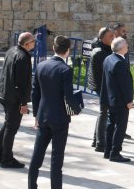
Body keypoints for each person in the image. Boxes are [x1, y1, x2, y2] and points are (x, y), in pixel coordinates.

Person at [29, 36, 81, 189]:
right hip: (59, 119)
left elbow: (35, 93)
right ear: (68, 51)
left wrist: (36, 115)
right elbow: (68, 96)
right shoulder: (65, 69)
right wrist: (77, 109)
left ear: (53, 48)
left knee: (37, 156)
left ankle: (32, 186)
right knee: (56, 160)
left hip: (43, 116)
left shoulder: (41, 66)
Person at [0, 32, 36, 168]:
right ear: (27, 44)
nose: (35, 43)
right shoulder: (23, 57)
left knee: (8, 124)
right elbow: (22, 83)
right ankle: (6, 159)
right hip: (13, 98)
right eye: (33, 41)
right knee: (11, 128)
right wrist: (23, 104)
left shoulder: (12, 50)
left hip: (4, 93)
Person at [102, 37, 134, 163]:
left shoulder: (109, 59)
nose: (127, 46)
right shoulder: (120, 63)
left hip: (111, 99)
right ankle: (115, 153)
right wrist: (129, 101)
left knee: (110, 126)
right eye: (126, 45)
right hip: (120, 101)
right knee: (120, 127)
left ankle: (108, 150)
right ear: (121, 48)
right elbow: (124, 85)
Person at [87, 26, 114, 152]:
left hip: (102, 86)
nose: (113, 38)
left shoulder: (104, 50)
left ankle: (96, 140)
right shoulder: (100, 52)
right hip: (102, 87)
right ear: (102, 38)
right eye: (110, 36)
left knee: (103, 113)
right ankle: (100, 143)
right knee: (105, 113)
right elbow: (102, 74)